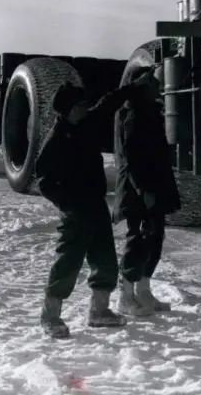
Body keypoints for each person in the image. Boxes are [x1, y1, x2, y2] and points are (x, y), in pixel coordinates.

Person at [36, 68, 156, 339]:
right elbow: (44, 180)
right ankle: (50, 315)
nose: (83, 110)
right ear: (66, 109)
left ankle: (98, 311)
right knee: (68, 262)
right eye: (78, 106)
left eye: (84, 105)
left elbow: (108, 103)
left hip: (96, 204)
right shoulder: (57, 139)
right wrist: (68, 205)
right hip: (76, 210)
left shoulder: (87, 123)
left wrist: (134, 86)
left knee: (105, 261)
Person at [113, 67, 181, 317]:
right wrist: (144, 190)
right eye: (151, 81)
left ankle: (143, 291)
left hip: (154, 186)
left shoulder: (150, 111)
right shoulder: (132, 114)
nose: (157, 84)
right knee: (137, 241)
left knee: (154, 239)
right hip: (138, 189)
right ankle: (126, 296)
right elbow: (131, 158)